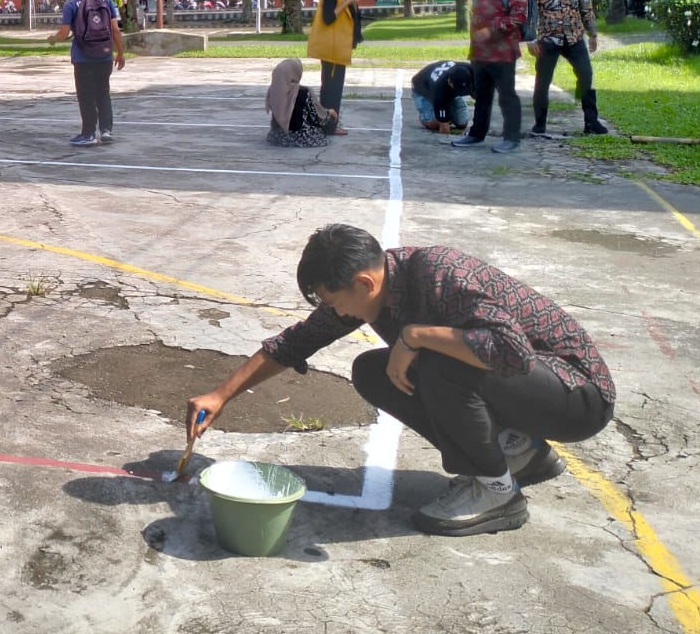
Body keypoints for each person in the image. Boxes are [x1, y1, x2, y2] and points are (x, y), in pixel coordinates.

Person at [186, 224, 614, 536]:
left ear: (363, 282)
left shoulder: (439, 273)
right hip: (528, 393)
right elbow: (296, 342)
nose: (336, 313)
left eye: (335, 302)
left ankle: (498, 493)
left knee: (435, 360)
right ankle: (521, 450)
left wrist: (415, 335)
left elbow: (512, 353)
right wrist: (222, 394)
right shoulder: (375, 291)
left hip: (577, 395)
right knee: (373, 371)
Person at [452, 0, 525, 153]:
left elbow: (518, 18)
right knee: (481, 96)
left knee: (507, 96)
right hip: (480, 54)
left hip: (503, 54)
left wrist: (491, 30)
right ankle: (476, 134)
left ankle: (511, 137)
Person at [47, 0, 126, 147]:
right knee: (103, 93)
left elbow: (64, 33)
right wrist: (120, 53)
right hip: (105, 57)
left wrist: (52, 39)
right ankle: (106, 131)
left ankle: (88, 133)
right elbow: (115, 30)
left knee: (86, 96)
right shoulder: (106, 1)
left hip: (83, 58)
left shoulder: (72, 4)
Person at [528, 0, 605, 136]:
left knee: (586, 76)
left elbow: (586, 10)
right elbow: (530, 16)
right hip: (547, 40)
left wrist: (593, 34)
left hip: (574, 39)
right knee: (542, 83)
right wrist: (531, 39)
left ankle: (591, 122)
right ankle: (539, 123)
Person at [307, 0, 362, 135]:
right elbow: (328, 18)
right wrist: (348, 2)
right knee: (330, 89)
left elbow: (353, 20)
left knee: (335, 89)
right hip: (331, 52)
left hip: (338, 51)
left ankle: (331, 124)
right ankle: (327, 126)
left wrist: (352, 3)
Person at [266, 58, 333, 147]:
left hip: (277, 137)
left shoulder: (273, 90)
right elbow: (318, 117)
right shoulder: (304, 92)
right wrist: (329, 113)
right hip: (302, 138)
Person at [411, 60, 474, 133]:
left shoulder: (473, 71)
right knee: (435, 125)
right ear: (449, 82)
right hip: (422, 89)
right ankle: (425, 119)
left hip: (444, 89)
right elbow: (444, 127)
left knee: (462, 124)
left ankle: (449, 112)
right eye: (458, 89)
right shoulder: (439, 89)